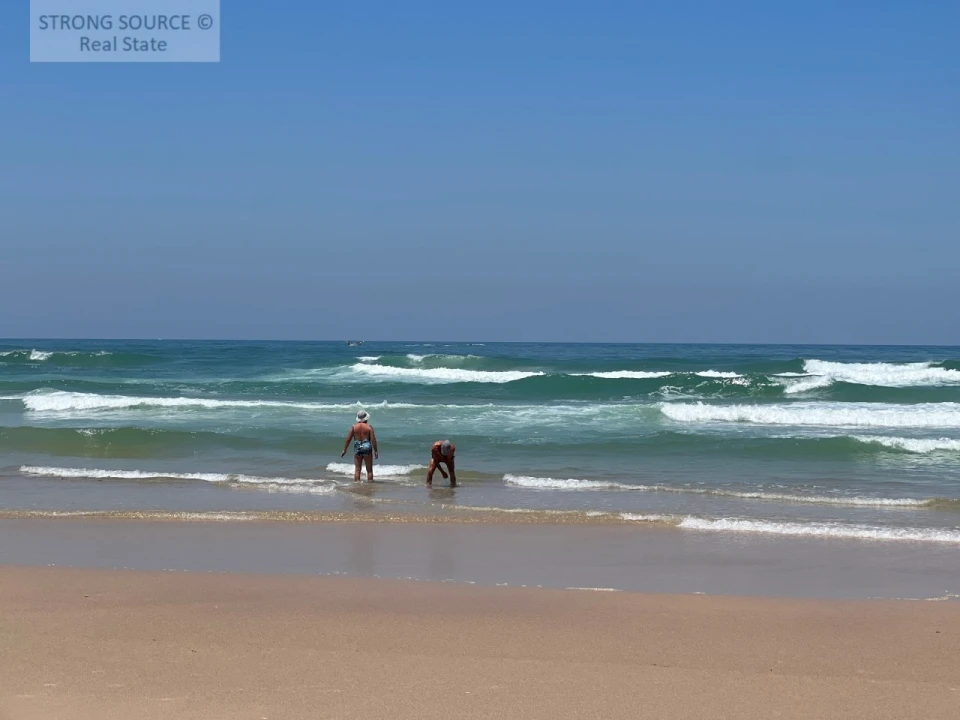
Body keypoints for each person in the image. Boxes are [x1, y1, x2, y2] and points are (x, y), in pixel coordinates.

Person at [340, 410, 378, 482]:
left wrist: (344, 450)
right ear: (366, 418)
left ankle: (357, 485)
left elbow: (348, 439)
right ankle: (370, 486)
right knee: (369, 470)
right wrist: (375, 450)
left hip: (357, 447)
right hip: (367, 447)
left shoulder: (354, 427)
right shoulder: (369, 427)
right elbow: (373, 439)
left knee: (357, 469)